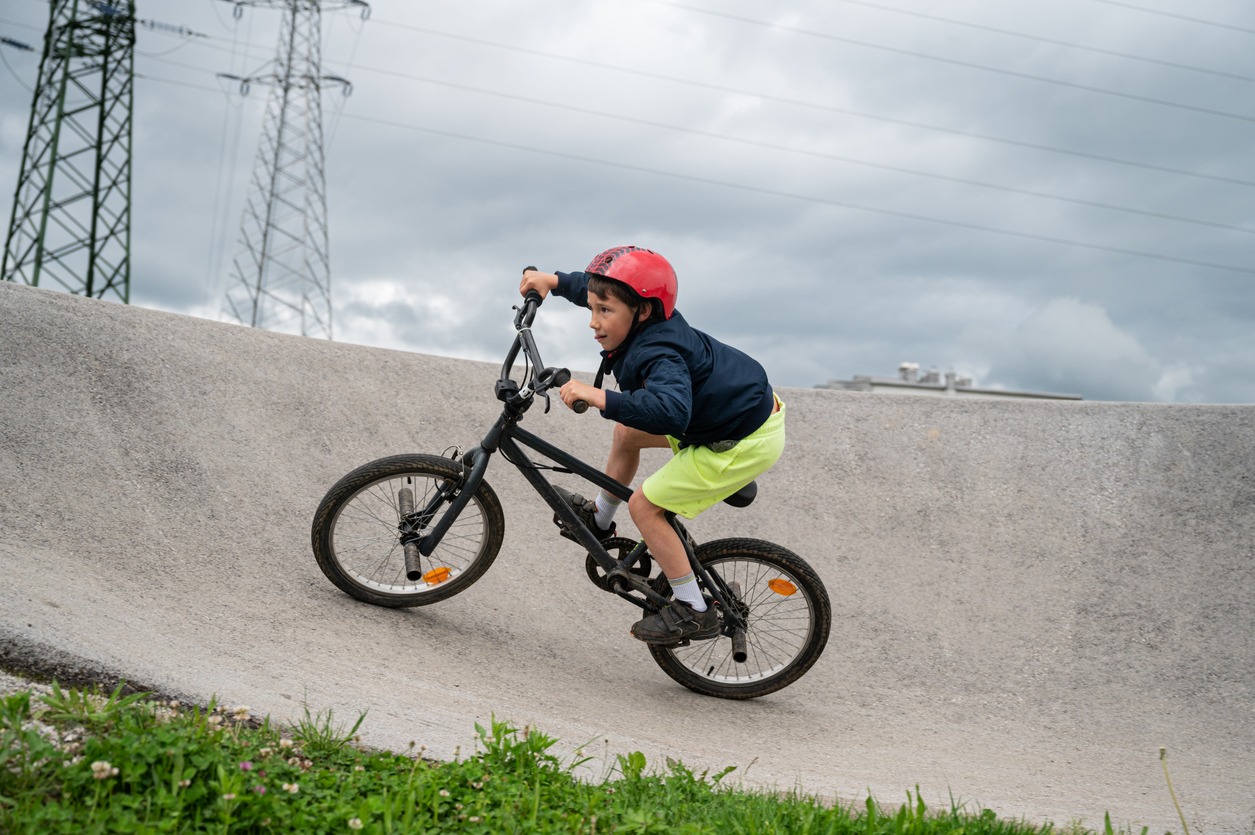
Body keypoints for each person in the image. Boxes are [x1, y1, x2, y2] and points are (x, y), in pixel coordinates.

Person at [518, 246, 786, 644]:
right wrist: (553, 282)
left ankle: (695, 609)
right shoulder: (645, 317)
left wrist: (599, 397)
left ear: (642, 312)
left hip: (739, 440)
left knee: (645, 505)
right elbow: (599, 291)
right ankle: (600, 520)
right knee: (626, 433)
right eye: (592, 308)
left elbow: (670, 412)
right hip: (722, 416)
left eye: (603, 312)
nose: (593, 322)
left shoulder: (660, 352)